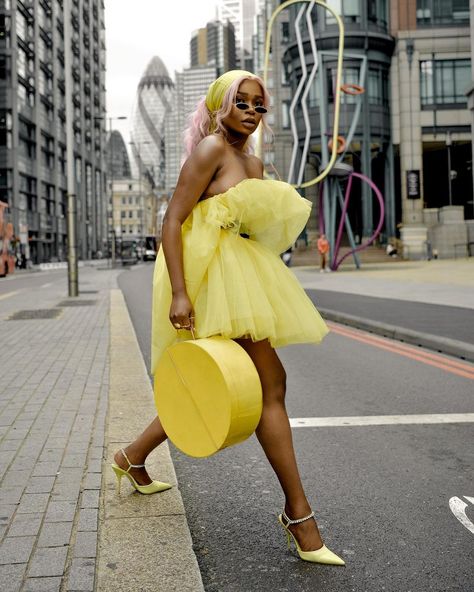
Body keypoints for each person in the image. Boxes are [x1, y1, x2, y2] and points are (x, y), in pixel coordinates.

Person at [111, 70, 345, 566]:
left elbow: (249, 229)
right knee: (267, 383)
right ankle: (299, 516)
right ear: (221, 103)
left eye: (260, 105)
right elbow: (172, 219)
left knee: (218, 384)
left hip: (239, 275)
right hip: (203, 278)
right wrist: (179, 292)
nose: (252, 111)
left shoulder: (252, 163)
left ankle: (131, 456)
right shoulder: (211, 151)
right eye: (242, 101)